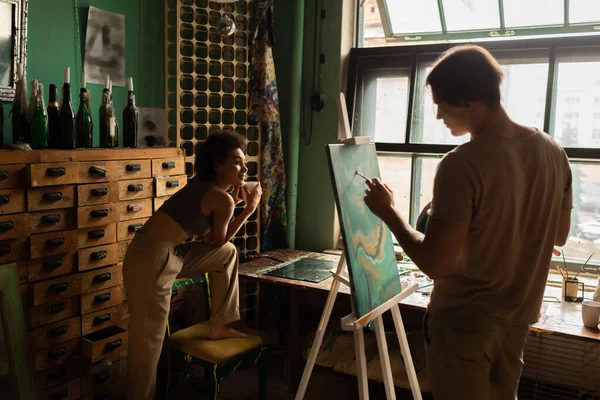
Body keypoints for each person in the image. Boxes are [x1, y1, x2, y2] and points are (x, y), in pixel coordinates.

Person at [363, 45, 572, 399]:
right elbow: (559, 235)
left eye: (442, 105)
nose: (439, 115)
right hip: (517, 323)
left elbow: (435, 263)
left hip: (463, 326)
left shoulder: (461, 164)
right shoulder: (553, 151)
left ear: (469, 102)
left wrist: (389, 213)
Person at [123, 130, 262, 400]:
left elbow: (216, 244)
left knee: (228, 254)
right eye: (236, 161)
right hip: (151, 260)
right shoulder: (220, 198)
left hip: (167, 253)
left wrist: (234, 202)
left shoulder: (208, 188)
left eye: (243, 162)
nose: (245, 168)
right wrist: (248, 209)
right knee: (147, 347)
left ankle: (220, 324)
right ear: (217, 165)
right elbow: (217, 239)